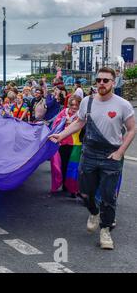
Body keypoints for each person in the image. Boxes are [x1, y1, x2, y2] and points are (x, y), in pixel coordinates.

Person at [49, 67, 135, 250]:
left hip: (112, 155)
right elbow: (79, 122)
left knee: (108, 196)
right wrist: (61, 135)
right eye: (99, 80)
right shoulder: (87, 102)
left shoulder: (123, 105)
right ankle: (94, 213)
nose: (101, 83)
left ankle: (105, 230)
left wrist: (120, 152)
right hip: (89, 153)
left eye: (106, 80)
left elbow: (132, 129)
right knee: (85, 193)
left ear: (113, 82)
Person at [50, 95, 83, 197]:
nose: (74, 107)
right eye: (72, 105)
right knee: (62, 165)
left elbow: (83, 126)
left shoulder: (82, 115)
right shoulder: (64, 112)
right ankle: (64, 185)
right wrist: (64, 121)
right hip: (63, 143)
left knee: (73, 167)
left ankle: (73, 188)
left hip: (76, 144)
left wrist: (71, 122)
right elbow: (55, 124)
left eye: (77, 105)